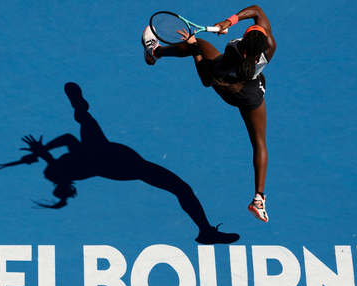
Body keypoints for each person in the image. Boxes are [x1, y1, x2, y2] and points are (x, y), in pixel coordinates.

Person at [19, 82, 240, 244]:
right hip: (119, 162)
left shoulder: (74, 167)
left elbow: (63, 156)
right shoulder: (79, 160)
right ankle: (206, 232)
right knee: (181, 188)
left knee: (180, 188)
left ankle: (206, 231)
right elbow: (66, 140)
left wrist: (41, 153)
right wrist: (41, 151)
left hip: (116, 164)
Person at [141, 5, 276, 223]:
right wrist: (229, 21)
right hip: (252, 93)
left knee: (200, 44)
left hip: (228, 87)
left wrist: (194, 48)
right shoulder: (269, 46)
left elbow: (207, 80)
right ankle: (259, 199)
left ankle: (154, 52)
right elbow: (259, 12)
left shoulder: (232, 56)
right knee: (260, 142)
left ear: (244, 43)